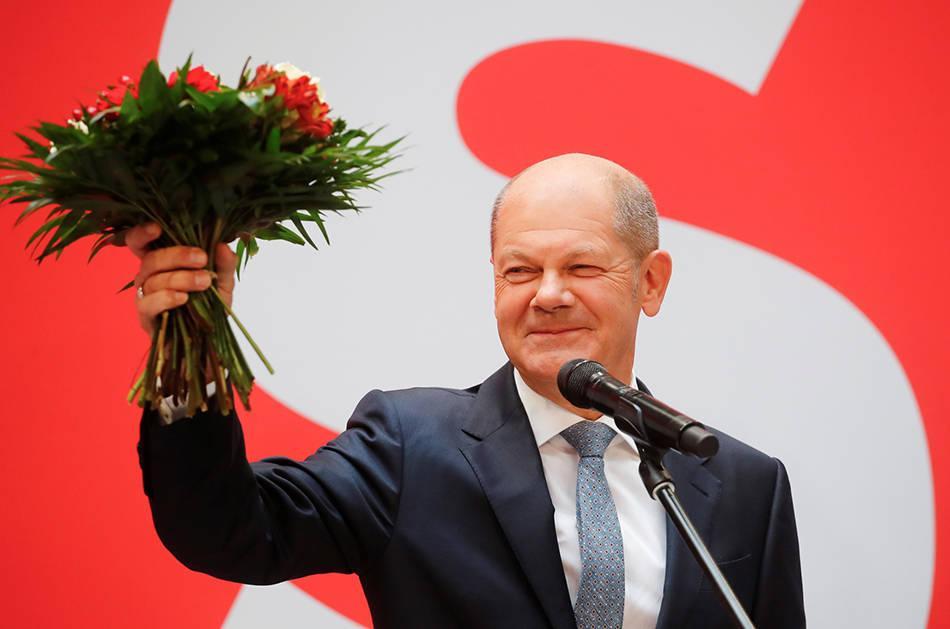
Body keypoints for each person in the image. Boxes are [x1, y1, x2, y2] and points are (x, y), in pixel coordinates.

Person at [126, 153, 805, 628]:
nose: (547, 295)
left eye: (580, 266)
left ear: (650, 282)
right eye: (520, 270)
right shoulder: (409, 445)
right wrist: (192, 350)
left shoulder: (744, 485)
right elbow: (228, 530)